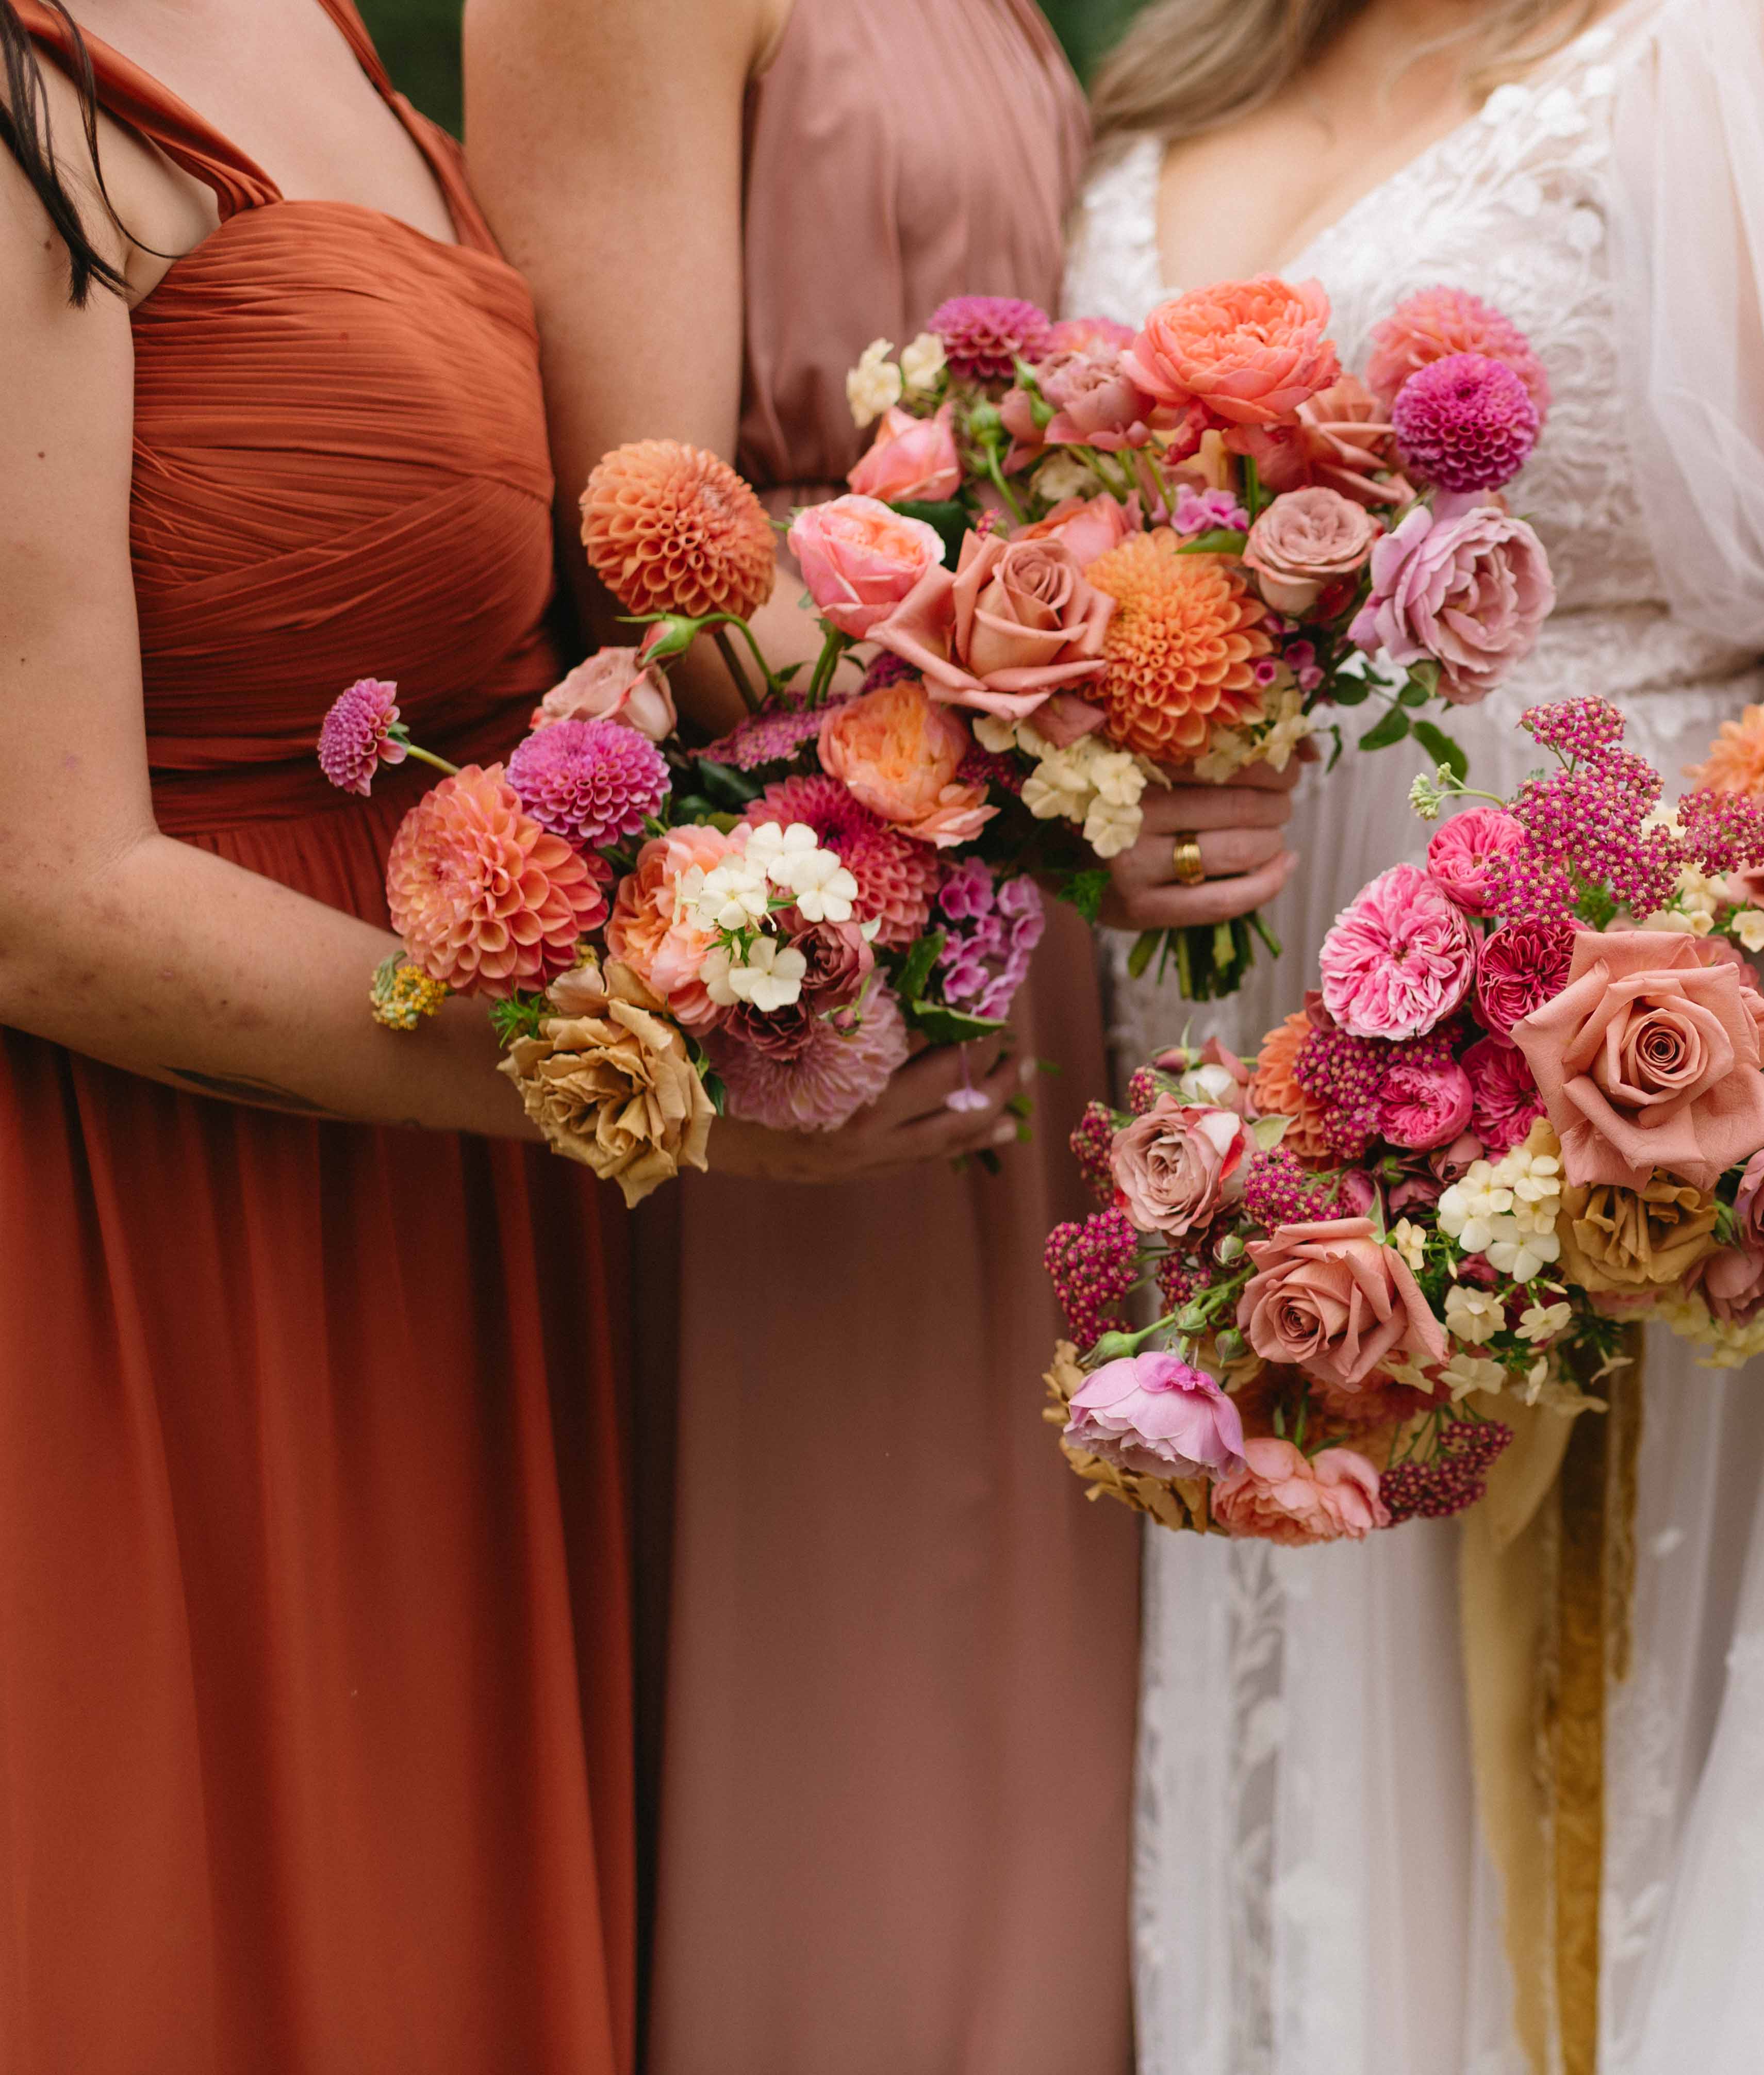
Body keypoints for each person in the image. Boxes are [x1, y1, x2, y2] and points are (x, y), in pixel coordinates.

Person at [1074, 2, 1764, 2069]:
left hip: (1616, 1069)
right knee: (1328, 1735)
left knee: (1606, 1744)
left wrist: (1613, 984)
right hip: (1230, 1069)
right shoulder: (1177, 63)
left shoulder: (1754, 39)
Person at [463, 3, 1289, 2066]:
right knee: (866, 1749)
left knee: (1060, 1765)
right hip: (812, 945)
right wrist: (1095, 602)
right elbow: (633, 583)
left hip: (1025, 903)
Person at [0, 0, 784, 2061]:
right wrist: (633, 1082)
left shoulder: (329, 29)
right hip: (155, 1226)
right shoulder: (26, 96)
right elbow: (45, 898)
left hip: (434, 1219)